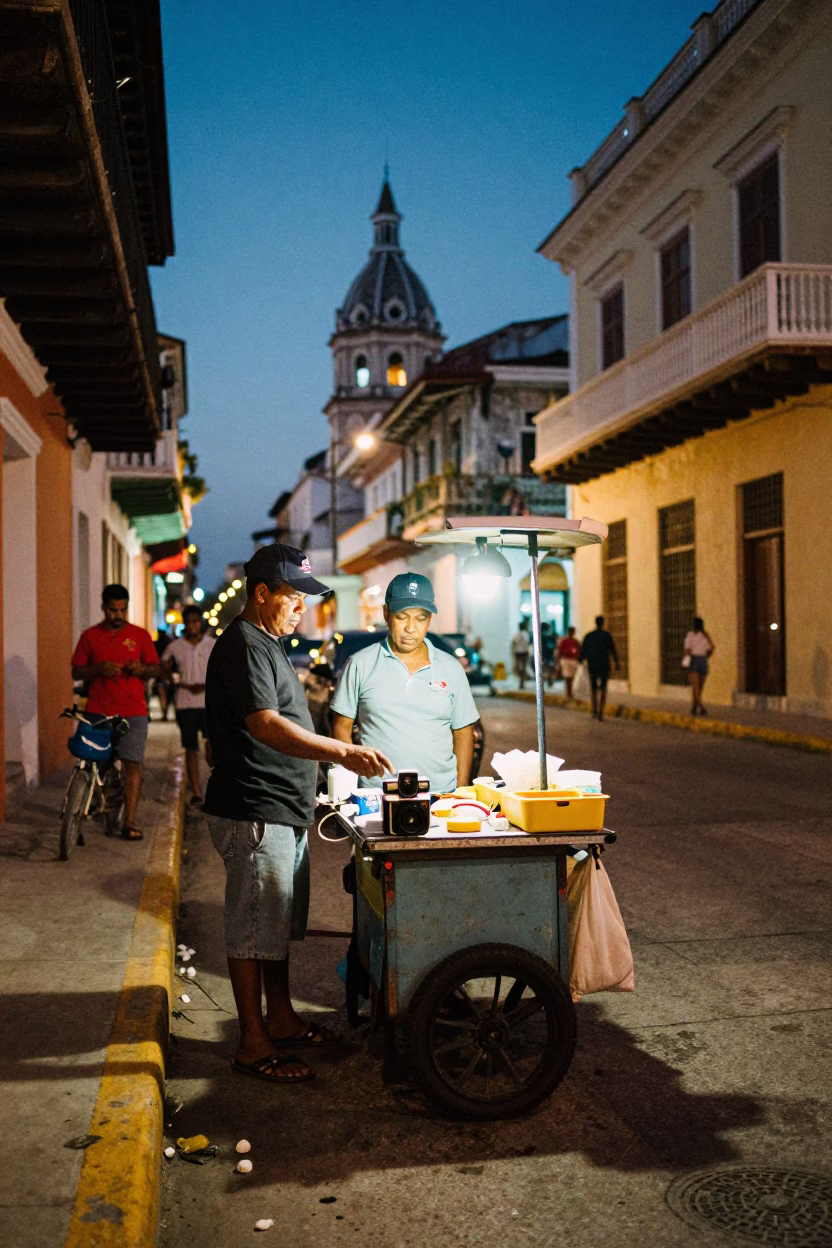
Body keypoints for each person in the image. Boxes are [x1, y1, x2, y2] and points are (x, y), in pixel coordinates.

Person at [203, 544, 391, 1085]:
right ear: (261, 593)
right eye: (292, 598)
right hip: (252, 808)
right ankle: (252, 1042)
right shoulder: (242, 645)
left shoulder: (267, 642)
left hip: (281, 808)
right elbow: (264, 724)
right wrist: (341, 752)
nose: (300, 609)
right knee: (250, 929)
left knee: (275, 925)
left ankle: (281, 1020)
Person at [330, 573, 480, 793]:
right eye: (402, 617)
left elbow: (463, 732)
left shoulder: (451, 667)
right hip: (377, 795)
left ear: (429, 619)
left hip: (439, 795)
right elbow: (341, 728)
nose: (411, 628)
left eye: (421, 618)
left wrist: (460, 790)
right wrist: (359, 771)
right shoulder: (360, 664)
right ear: (386, 614)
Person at [71, 583, 165, 840]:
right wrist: (99, 668)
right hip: (98, 711)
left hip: (133, 712)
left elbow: (156, 669)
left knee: (133, 764)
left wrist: (142, 669)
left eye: (123, 610)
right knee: (93, 763)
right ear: (103, 608)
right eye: (113, 610)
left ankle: (130, 822)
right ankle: (84, 810)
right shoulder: (90, 636)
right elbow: (76, 671)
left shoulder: (140, 635)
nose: (118, 615)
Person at [163, 606, 215, 806]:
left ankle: (215, 785)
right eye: (189, 621)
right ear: (184, 623)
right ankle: (195, 790)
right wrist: (174, 680)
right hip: (185, 703)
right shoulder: (175, 646)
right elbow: (164, 668)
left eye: (196, 621)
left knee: (212, 745)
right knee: (190, 749)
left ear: (200, 622)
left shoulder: (211, 644)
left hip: (209, 703)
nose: (193, 625)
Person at [579, 615, 620, 723]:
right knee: (603, 688)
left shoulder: (589, 636)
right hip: (604, 665)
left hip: (592, 665)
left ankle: (594, 711)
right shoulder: (607, 635)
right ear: (603, 623)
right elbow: (613, 650)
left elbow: (583, 651)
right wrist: (616, 663)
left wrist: (581, 660)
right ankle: (601, 712)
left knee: (593, 688)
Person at [684, 617, 715, 716]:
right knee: (697, 686)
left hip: (699, 660)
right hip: (698, 660)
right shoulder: (693, 635)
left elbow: (711, 647)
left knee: (699, 686)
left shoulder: (701, 636)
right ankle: (702, 707)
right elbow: (687, 649)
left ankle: (694, 705)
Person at [557, 626, 581, 699]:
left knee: (571, 677)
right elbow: (560, 652)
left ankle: (569, 691)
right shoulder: (564, 641)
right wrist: (558, 662)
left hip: (573, 660)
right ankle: (569, 693)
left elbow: (579, 651)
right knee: (568, 677)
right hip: (566, 660)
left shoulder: (576, 642)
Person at [511, 620, 531, 690]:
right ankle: (522, 682)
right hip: (524, 652)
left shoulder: (516, 634)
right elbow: (528, 642)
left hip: (518, 653)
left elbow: (513, 643)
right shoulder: (526, 634)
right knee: (523, 668)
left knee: (519, 667)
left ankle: (521, 682)